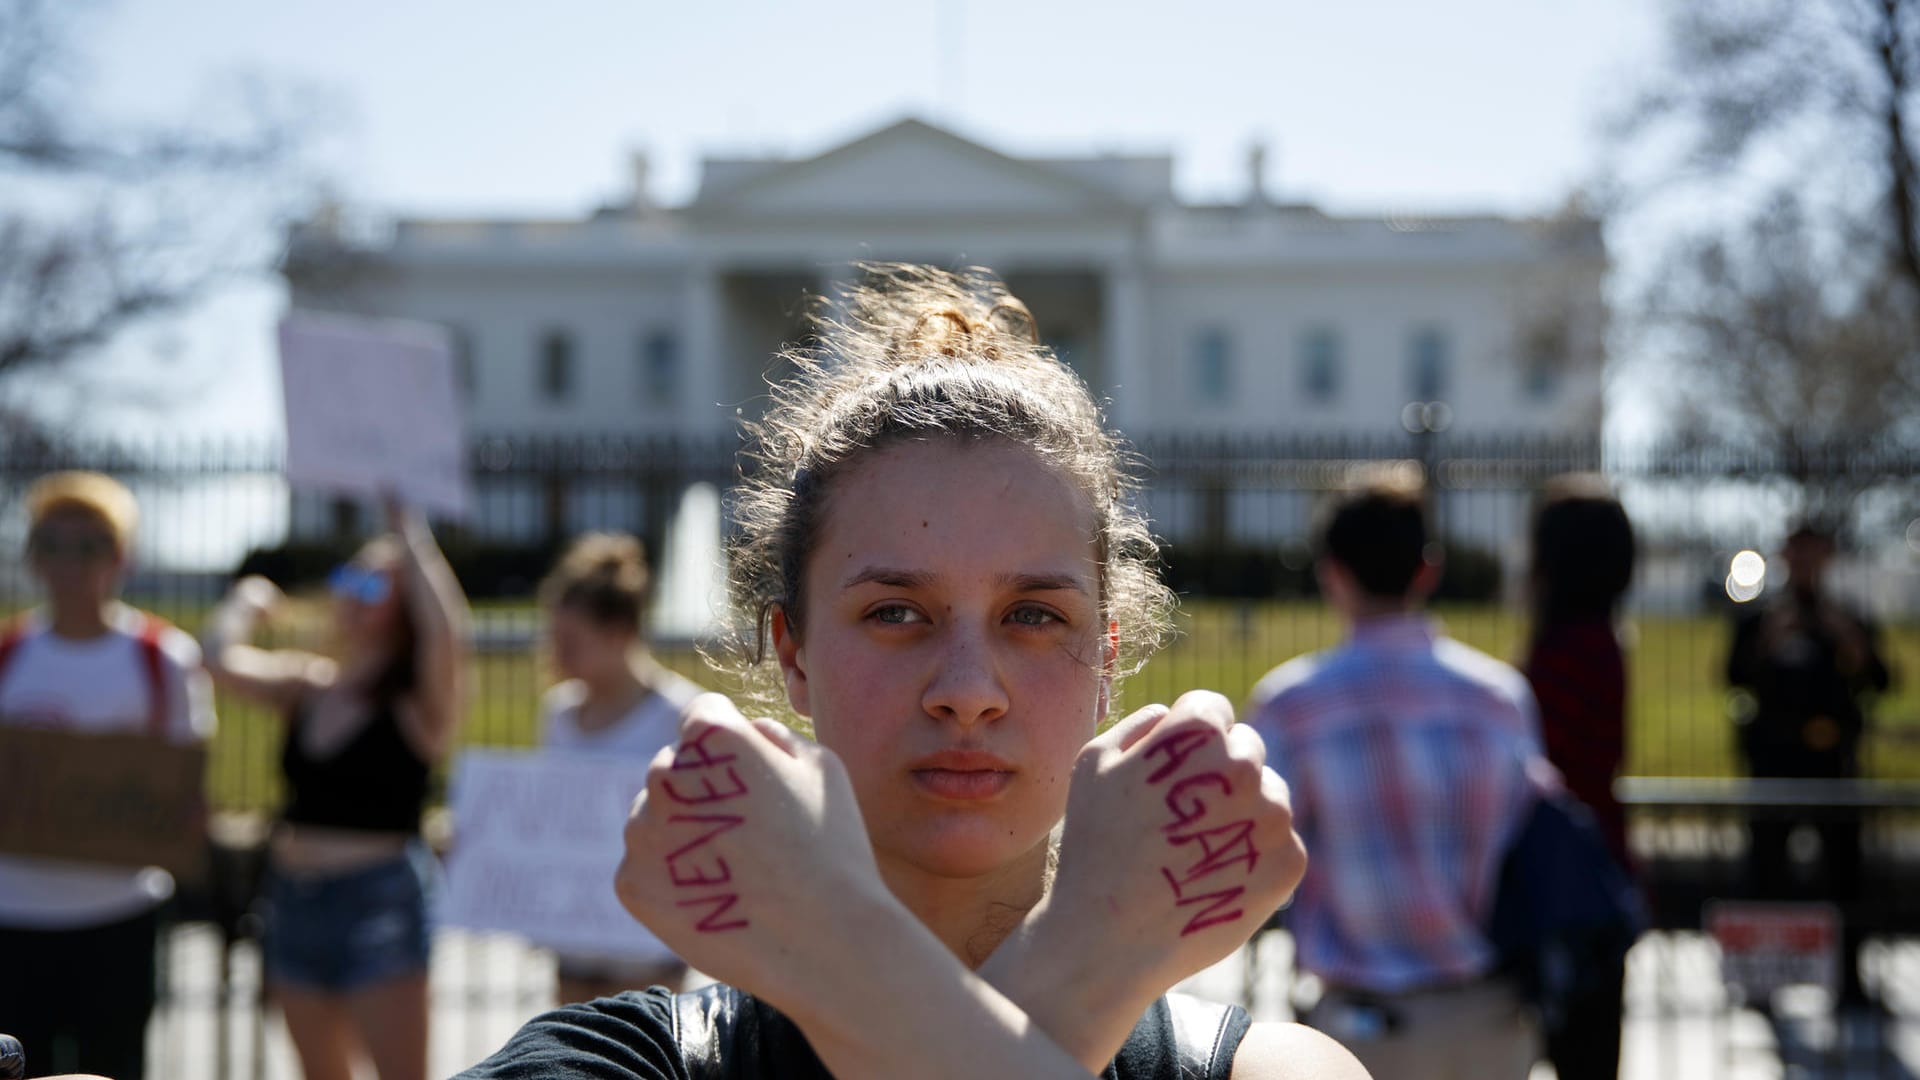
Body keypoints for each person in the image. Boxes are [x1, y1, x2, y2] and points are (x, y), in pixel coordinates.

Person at [457, 266, 1365, 1079]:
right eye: (896, 613)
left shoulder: (1271, 1072)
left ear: (1108, 664)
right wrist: (1081, 962)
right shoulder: (613, 1065)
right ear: (792, 653)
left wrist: (848, 956)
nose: (968, 689)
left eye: (1034, 616)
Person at [1245, 474, 1545, 1079]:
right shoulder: (1498, 698)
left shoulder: (1292, 707)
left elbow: (1260, 854)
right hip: (1490, 1016)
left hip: (1361, 1029)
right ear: (1427, 571)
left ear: (1332, 573)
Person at [202, 496, 470, 1080]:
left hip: (380, 903)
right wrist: (244, 601)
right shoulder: (310, 685)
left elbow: (450, 637)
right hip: (293, 902)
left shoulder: (418, 708)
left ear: (403, 612)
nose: (352, 593)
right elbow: (218, 660)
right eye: (351, 577)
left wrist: (410, 535)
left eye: (375, 587)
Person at [0, 472, 215, 1080]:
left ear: (120, 556)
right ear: (33, 556)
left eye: (89, 544)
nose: (69, 561)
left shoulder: (161, 659)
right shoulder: (8, 657)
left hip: (119, 916)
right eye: (52, 543)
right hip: (12, 917)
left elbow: (185, 786)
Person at [1726, 522, 1892, 1007]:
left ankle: (1848, 982)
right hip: (1776, 762)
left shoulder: (1846, 617)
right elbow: (1734, 676)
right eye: (1797, 555)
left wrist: (1853, 646)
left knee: (1844, 872)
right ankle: (1761, 981)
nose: (1805, 565)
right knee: (1765, 871)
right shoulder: (1762, 617)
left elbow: (1881, 680)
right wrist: (1768, 644)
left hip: (1834, 764)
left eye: (1814, 555)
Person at [536, 532, 703, 1002]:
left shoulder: (679, 714)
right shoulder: (558, 713)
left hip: (649, 949)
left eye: (569, 640)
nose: (554, 651)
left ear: (618, 633)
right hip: (573, 946)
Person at [1521, 474, 1637, 1079]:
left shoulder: (1570, 648)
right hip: (1599, 863)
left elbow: (1545, 762)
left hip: (1565, 881)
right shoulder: (1603, 638)